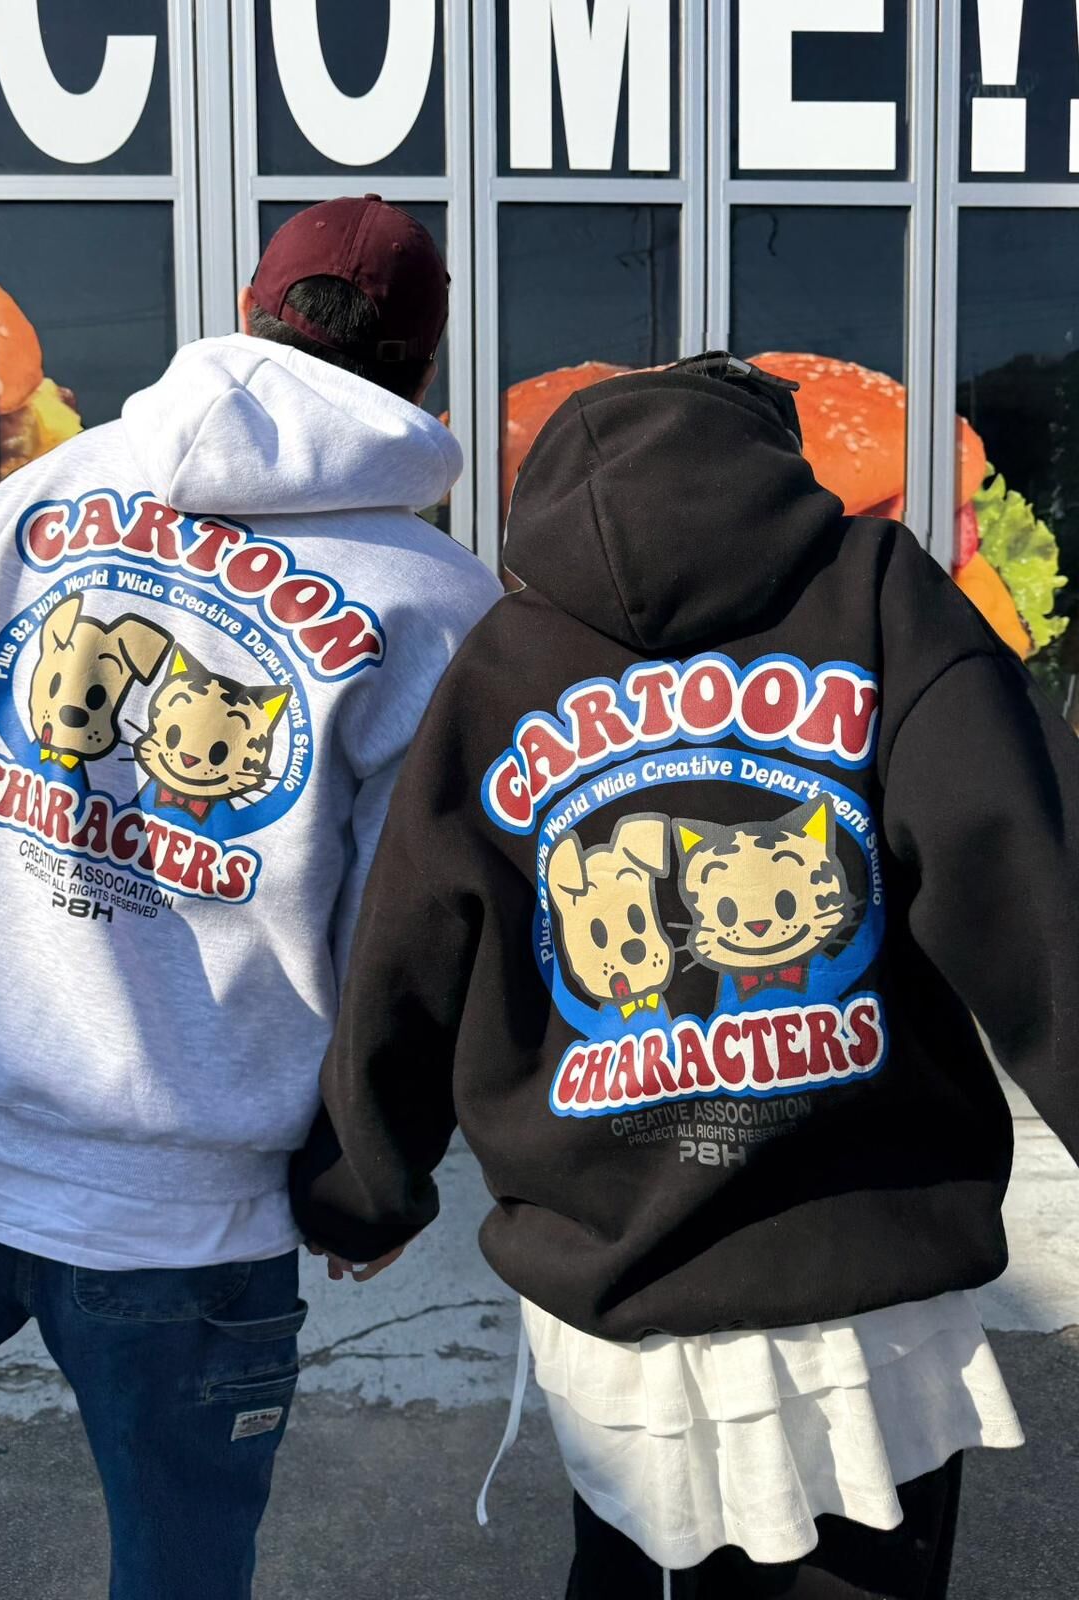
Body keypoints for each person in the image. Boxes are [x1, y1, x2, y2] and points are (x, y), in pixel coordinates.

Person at [289, 352, 1079, 1598]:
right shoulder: (884, 595)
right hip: (865, 1279)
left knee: (635, 1569)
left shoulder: (502, 662)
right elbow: (1030, 879)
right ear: (774, 457)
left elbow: (416, 940)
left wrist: (364, 1185)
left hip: (620, 1285)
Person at [0, 195, 501, 1597]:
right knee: (181, 1575)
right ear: (423, 363)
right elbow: (408, 942)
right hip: (192, 1217)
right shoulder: (437, 601)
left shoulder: (41, 493)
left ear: (247, 307)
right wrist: (369, 1175)